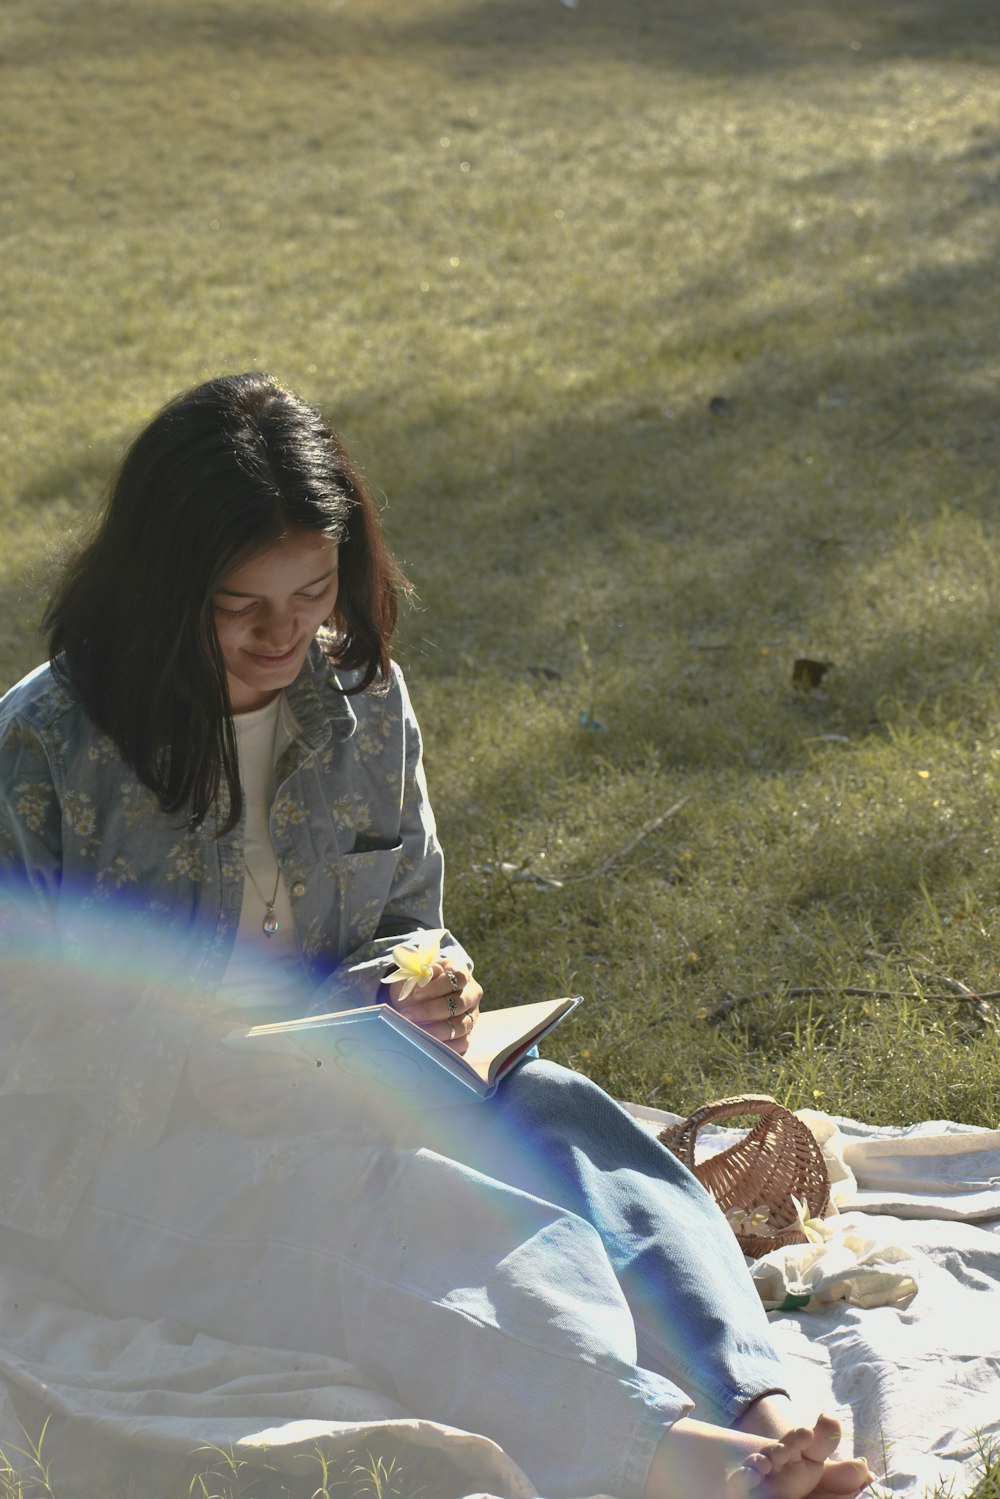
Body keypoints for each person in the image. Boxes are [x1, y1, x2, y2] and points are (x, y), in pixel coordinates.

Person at [0, 373, 873, 1499]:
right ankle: (679, 1458)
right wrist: (194, 1066)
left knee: (559, 1115)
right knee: (404, 1212)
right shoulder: (44, 751)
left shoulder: (356, 690)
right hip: (124, 1162)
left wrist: (427, 987)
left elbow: (407, 916)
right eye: (239, 606)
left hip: (346, 1071)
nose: (285, 636)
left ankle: (766, 1401)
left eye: (313, 591)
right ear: (159, 588)